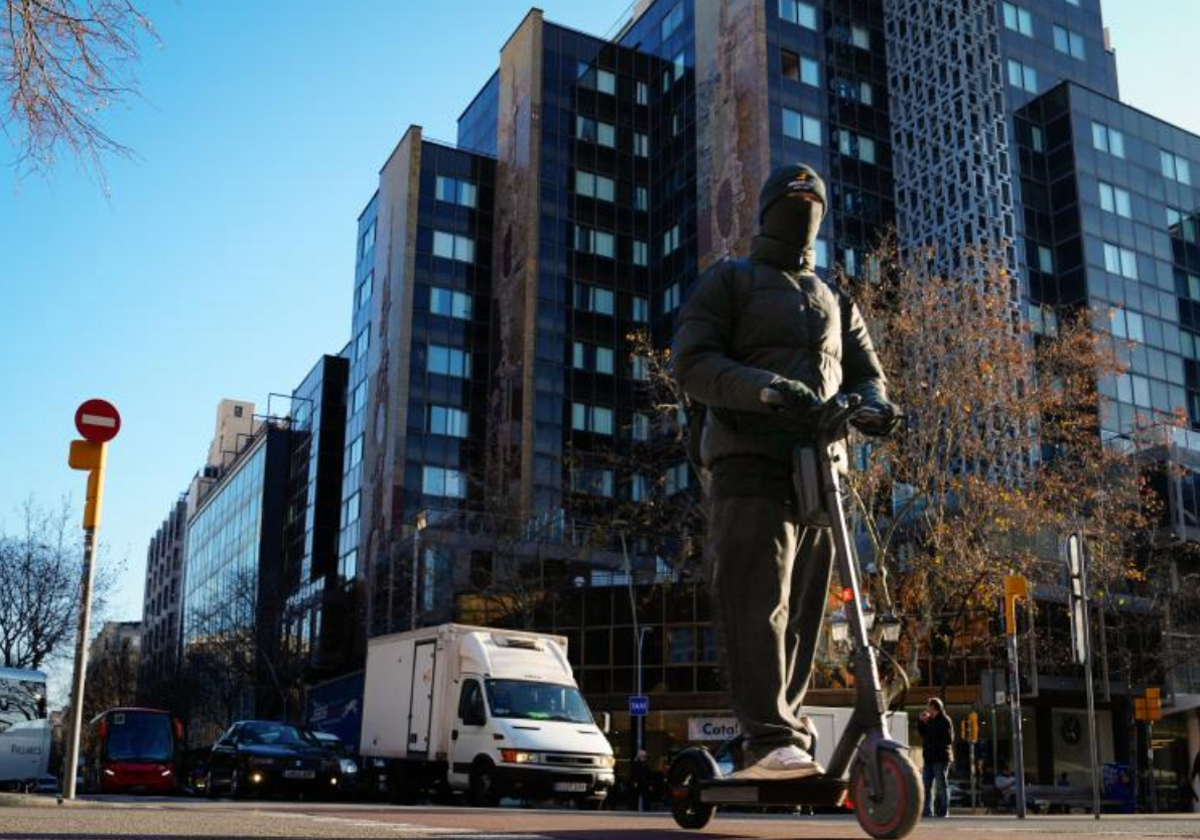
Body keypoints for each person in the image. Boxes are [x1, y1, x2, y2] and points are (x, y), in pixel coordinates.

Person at [674, 164, 899, 780]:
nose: (805, 205)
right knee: (758, 602)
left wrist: (875, 409)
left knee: (804, 613)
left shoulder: (837, 300)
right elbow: (693, 364)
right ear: (771, 208)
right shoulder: (730, 282)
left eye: (814, 199)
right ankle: (766, 738)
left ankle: (786, 736)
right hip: (749, 462)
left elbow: (869, 375)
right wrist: (766, 390)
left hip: (819, 472)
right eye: (794, 196)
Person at [917, 698, 954, 818]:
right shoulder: (930, 721)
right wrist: (921, 721)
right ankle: (927, 811)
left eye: (928, 707)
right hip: (928, 759)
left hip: (941, 759)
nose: (927, 710)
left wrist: (933, 732)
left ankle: (943, 812)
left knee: (941, 786)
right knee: (926, 786)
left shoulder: (945, 720)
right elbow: (922, 734)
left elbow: (949, 739)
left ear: (933, 708)